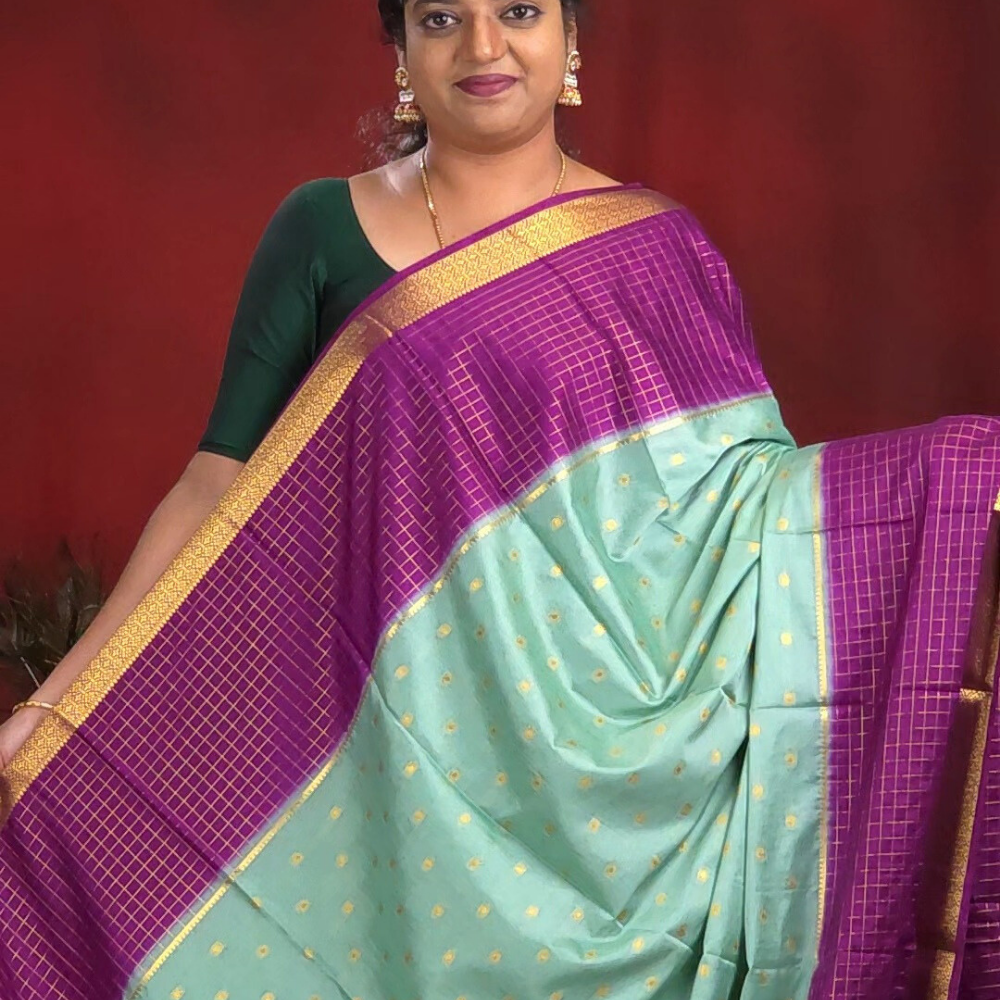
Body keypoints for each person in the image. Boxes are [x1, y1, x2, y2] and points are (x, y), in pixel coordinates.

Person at [1, 1, 998, 998]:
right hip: (390, 762)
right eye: (442, 17)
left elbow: (742, 514)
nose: (482, 47)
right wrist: (54, 707)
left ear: (570, 36)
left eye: (518, 10)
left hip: (633, 781)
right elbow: (216, 482)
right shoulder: (323, 229)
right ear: (401, 48)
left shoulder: (658, 251)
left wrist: (958, 484)